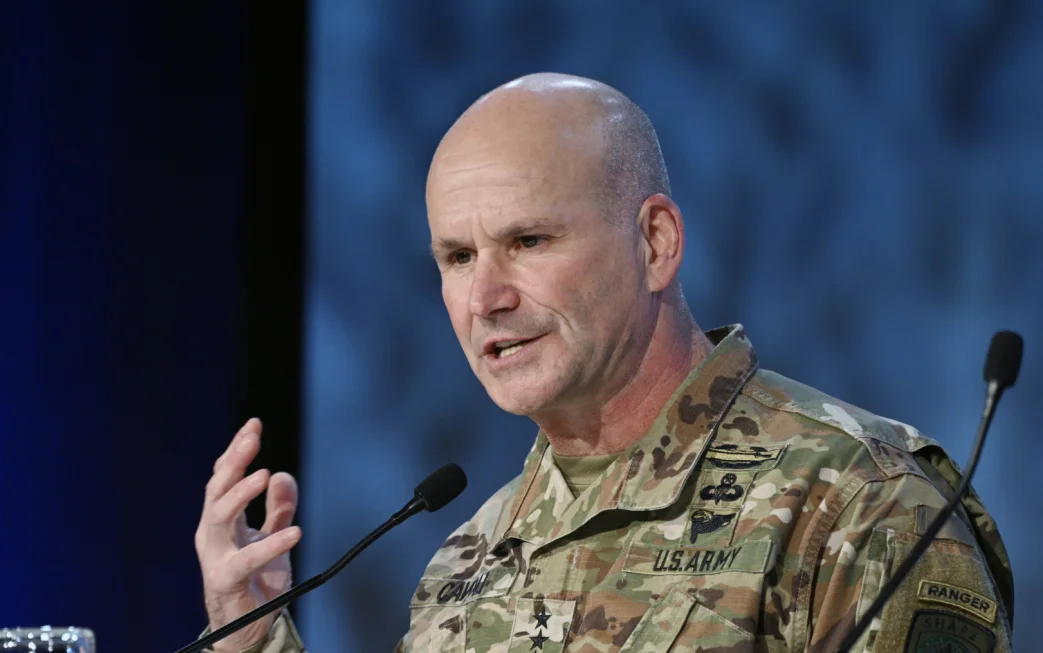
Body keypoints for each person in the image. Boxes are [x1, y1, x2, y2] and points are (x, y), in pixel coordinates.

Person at [193, 73, 1014, 652]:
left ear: (654, 243)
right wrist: (254, 636)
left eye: (528, 241)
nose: (484, 297)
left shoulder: (859, 506)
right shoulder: (470, 556)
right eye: (455, 256)